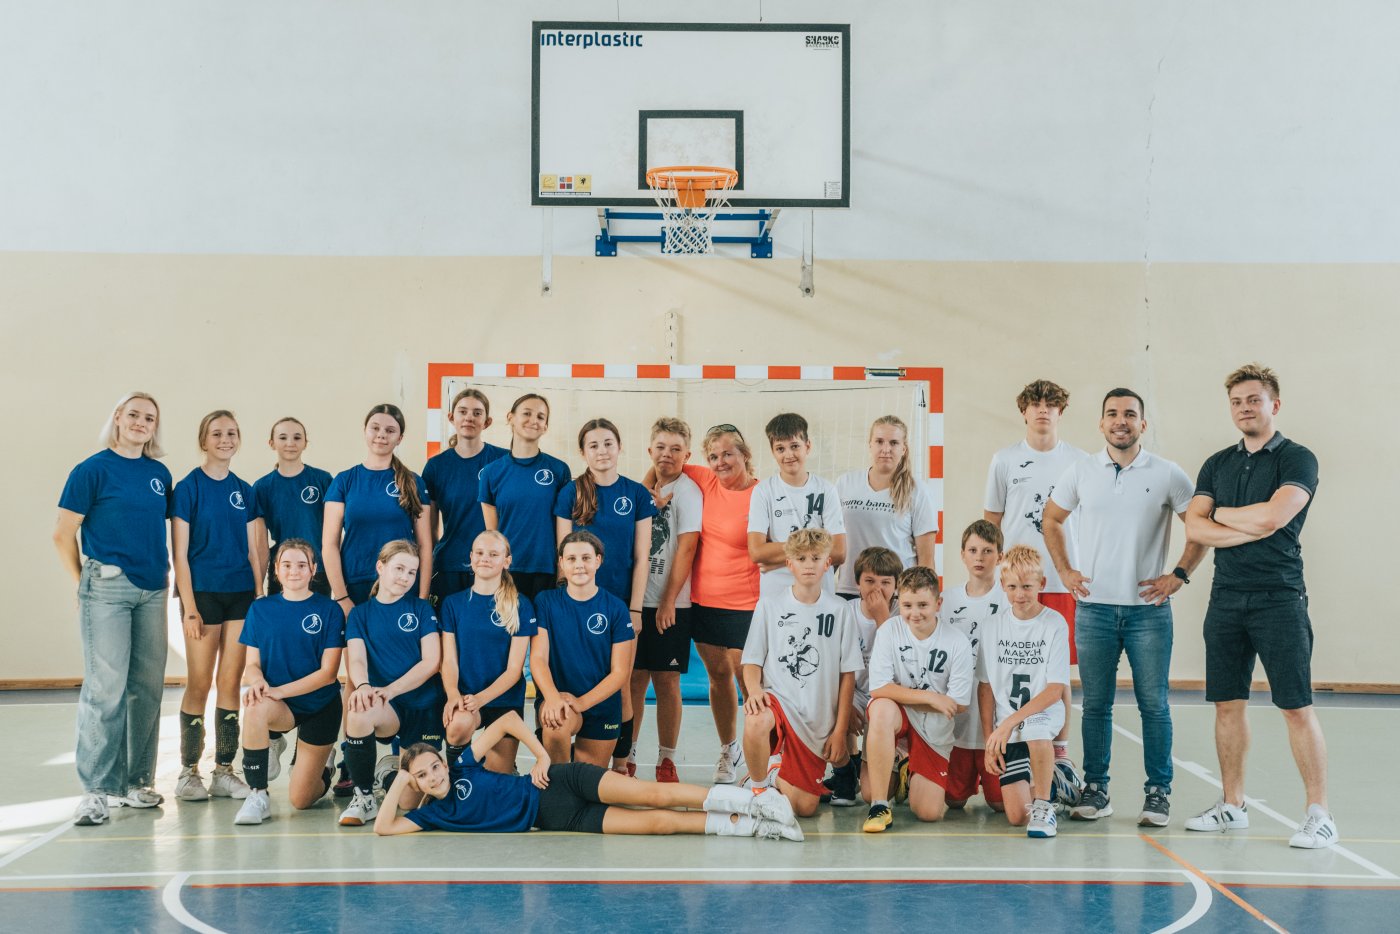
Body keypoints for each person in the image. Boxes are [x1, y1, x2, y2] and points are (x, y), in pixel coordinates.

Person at [1183, 364, 1335, 848]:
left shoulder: (1298, 458)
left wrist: (1221, 515)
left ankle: (1319, 814)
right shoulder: (1216, 464)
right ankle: (1232, 805)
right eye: (1237, 402)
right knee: (1227, 706)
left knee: (1295, 707)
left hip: (1279, 598)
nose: (1244, 408)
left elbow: (1273, 517)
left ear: (1275, 405)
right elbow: (1194, 528)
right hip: (1226, 598)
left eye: (1253, 400)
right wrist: (1241, 524)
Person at [1042, 388, 1204, 827]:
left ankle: (1158, 793)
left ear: (1142, 424)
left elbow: (1200, 527)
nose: (1121, 420)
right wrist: (1065, 570)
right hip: (1094, 610)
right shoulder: (1081, 471)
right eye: (1112, 413)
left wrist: (1179, 575)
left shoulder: (1168, 473)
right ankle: (1096, 789)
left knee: (1155, 705)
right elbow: (1051, 519)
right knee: (1096, 705)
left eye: (1130, 414)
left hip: (1148, 612)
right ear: (1101, 423)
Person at [372, 712, 802, 841]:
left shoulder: (464, 764)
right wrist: (402, 780)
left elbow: (506, 722)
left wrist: (541, 755)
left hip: (562, 781)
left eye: (434, 767)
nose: (433, 777)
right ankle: (751, 826)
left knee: (652, 794)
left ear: (444, 763)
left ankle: (755, 801)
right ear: (416, 784)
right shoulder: (432, 815)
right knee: (659, 824)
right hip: (561, 818)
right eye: (423, 776)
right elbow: (384, 827)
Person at [55, 392, 174, 826]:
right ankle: (97, 791)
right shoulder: (92, 470)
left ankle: (137, 782)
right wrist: (82, 583)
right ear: (118, 418)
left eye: (149, 418)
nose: (141, 422)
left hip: (153, 590)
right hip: (106, 587)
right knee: (105, 689)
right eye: (134, 415)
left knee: (147, 687)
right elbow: (62, 534)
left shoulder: (159, 474)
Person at [984, 379, 1086, 767]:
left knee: (1058, 670)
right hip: (1016, 582)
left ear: (1061, 412)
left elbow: (1088, 522)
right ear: (1024, 412)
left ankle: (1059, 752)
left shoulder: (1080, 461)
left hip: (1060, 579)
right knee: (1014, 661)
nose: (1043, 409)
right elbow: (991, 523)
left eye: (1051, 404)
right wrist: (994, 574)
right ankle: (1009, 737)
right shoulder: (1004, 460)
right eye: (1035, 404)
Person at [554, 418, 657, 772]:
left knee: (622, 685)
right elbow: (563, 553)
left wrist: (635, 609)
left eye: (608, 443)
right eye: (593, 445)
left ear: (620, 447)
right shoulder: (570, 493)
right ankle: (570, 751)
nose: (602, 451)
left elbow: (642, 557)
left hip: (620, 607)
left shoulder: (637, 494)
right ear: (583, 452)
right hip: (578, 605)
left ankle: (622, 764)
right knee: (577, 678)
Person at [171, 410, 263, 802]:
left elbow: (253, 550)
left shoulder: (245, 489)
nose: (225, 439)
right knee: (199, 682)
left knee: (230, 682)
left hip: (240, 594)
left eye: (232, 433)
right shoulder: (187, 488)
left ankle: (224, 769)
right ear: (203, 440)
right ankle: (188, 771)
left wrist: (259, 594)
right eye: (217, 433)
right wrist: (190, 607)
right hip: (203, 595)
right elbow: (180, 554)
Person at [740, 529, 863, 818]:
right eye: (802, 558)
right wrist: (754, 691)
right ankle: (759, 790)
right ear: (789, 564)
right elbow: (752, 662)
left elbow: (848, 676)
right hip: (779, 703)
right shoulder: (769, 605)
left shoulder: (840, 610)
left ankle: (775, 771)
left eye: (816, 558)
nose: (809, 564)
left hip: (816, 722)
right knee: (756, 720)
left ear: (828, 563)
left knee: (805, 808)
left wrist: (840, 731)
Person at [234, 538, 346, 825]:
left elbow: (328, 673)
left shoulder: (329, 610)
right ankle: (258, 795)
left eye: (301, 565)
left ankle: (325, 767)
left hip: (320, 705)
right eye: (286, 565)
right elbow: (252, 665)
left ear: (313, 570)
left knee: (301, 800)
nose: (294, 571)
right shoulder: (260, 610)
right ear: (276, 570)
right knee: (255, 706)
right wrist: (258, 683)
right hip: (282, 705)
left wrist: (278, 690)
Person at [339, 540, 445, 826]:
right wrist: (363, 686)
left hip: (423, 707)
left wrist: (391, 689)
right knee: (359, 710)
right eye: (399, 569)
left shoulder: (421, 609)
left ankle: (387, 772)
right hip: (388, 709)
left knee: (410, 802)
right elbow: (356, 660)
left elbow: (431, 662)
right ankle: (364, 797)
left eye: (411, 572)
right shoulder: (360, 614)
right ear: (380, 567)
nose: (405, 577)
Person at [862, 566, 975, 832]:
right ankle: (879, 806)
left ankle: (906, 767)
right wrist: (932, 698)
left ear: (938, 604)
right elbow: (879, 689)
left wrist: (933, 702)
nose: (915, 613)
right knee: (881, 710)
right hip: (898, 716)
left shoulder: (956, 641)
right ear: (899, 603)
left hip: (932, 730)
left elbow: (958, 704)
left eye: (923, 605)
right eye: (907, 605)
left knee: (928, 813)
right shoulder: (889, 631)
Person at [678, 424, 760, 784]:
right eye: (713, 456)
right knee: (718, 676)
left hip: (747, 605)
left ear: (745, 454)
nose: (720, 461)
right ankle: (729, 749)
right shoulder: (704, 480)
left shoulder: (762, 493)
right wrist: (650, 490)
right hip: (704, 603)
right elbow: (665, 463)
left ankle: (764, 759)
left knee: (749, 682)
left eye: (727, 453)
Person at [978, 546, 1072, 838]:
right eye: (1012, 587)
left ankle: (1044, 806)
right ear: (1002, 586)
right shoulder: (992, 626)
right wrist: (989, 740)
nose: (1020, 594)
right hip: (1008, 722)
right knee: (1017, 816)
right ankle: (1054, 781)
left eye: (1027, 587)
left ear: (1041, 584)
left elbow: (1055, 690)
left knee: (1035, 728)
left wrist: (1008, 723)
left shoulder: (1054, 623)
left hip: (1041, 714)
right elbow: (985, 687)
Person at [630, 418, 702, 782]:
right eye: (660, 447)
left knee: (667, 681)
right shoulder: (642, 490)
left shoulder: (688, 492)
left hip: (672, 603)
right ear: (649, 450)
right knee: (633, 680)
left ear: (687, 455)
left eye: (676, 449)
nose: (667, 454)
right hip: (636, 600)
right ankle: (626, 756)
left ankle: (666, 759)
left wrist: (669, 600)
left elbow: (687, 549)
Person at [530, 532, 634, 767]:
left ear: (598, 561)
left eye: (586, 558)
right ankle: (557, 776)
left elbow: (620, 672)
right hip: (559, 699)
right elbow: (538, 658)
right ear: (561, 563)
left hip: (600, 705)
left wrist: (582, 702)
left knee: (586, 780)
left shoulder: (616, 608)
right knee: (556, 724)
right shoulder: (545, 602)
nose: (579, 565)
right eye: (571, 559)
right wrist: (552, 698)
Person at [439, 530, 537, 774]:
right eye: (480, 553)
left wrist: (482, 699)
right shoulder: (453, 603)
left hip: (503, 699)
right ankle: (456, 781)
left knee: (497, 778)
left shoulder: (520, 604)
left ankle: (500, 770)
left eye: (494, 554)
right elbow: (449, 661)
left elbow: (514, 670)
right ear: (471, 557)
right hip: (466, 697)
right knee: (458, 724)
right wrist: (453, 694)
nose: (485, 558)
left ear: (506, 561)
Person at [323, 404, 433, 615]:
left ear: (400, 438)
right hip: (356, 584)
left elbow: (425, 544)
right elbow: (329, 545)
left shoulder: (413, 482)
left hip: (403, 585)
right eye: (375, 428)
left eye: (390, 430)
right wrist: (341, 597)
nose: (381, 435)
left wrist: (422, 597)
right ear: (365, 431)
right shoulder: (344, 481)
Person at [940, 520, 1008, 813]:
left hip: (994, 723)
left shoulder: (1008, 598)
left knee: (1000, 804)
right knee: (952, 801)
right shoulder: (946, 600)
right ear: (962, 555)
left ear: (1000, 556)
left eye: (987, 551)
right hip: (960, 721)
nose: (979, 557)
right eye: (973, 550)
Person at [824, 546, 900, 807]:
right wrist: (844, 708)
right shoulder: (844, 611)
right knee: (826, 706)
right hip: (854, 690)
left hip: (889, 696)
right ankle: (845, 771)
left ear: (896, 586)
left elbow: (902, 670)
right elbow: (833, 668)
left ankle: (902, 765)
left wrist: (882, 619)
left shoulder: (903, 613)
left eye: (885, 583)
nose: (877, 589)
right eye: (869, 581)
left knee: (872, 794)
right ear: (857, 583)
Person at [479, 393, 571, 600]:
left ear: (545, 426)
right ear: (510, 417)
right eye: (527, 413)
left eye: (540, 417)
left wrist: (563, 570)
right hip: (508, 571)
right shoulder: (491, 473)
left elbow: (564, 527)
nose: (533, 420)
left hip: (547, 570)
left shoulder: (559, 470)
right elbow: (493, 534)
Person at [835, 415, 937, 598]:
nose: (886, 449)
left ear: (904, 449)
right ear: (870, 445)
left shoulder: (918, 491)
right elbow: (834, 544)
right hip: (850, 589)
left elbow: (926, 560)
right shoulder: (846, 483)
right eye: (879, 441)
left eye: (894, 443)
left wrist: (923, 600)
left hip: (897, 594)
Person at [748, 412, 846, 598]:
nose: (788, 455)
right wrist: (816, 551)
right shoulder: (763, 491)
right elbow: (757, 552)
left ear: (807, 446)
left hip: (819, 595)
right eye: (780, 448)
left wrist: (778, 560)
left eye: (794, 446)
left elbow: (839, 552)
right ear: (773, 452)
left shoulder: (826, 490)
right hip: (777, 595)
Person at [423, 388, 507, 600]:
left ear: (487, 422)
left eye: (477, 413)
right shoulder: (436, 466)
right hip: (450, 565)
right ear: (451, 417)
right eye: (463, 411)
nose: (469, 417)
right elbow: (430, 530)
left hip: (492, 565)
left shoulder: (503, 461)